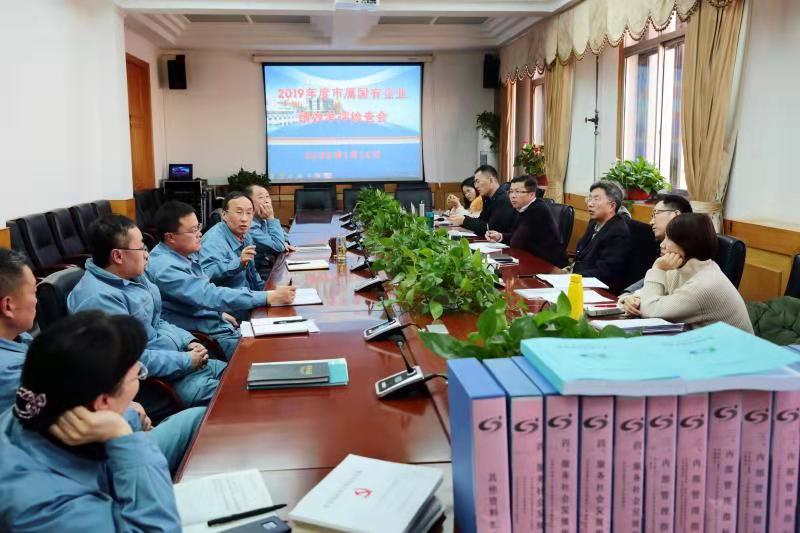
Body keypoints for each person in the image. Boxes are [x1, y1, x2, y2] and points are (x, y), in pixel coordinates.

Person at [0, 249, 206, 475]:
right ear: (8, 306)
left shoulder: (18, 338)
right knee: (199, 419)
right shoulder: (9, 371)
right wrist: (129, 415)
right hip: (91, 466)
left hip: (108, 425)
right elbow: (73, 421)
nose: (36, 300)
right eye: (32, 292)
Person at [0, 311, 182, 531]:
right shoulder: (42, 507)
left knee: (191, 421)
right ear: (102, 402)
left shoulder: (37, 407)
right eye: (138, 375)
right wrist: (123, 437)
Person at [68, 214, 225, 420]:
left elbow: (157, 321)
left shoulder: (134, 276)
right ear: (118, 256)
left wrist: (188, 341)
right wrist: (185, 360)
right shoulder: (98, 300)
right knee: (235, 399)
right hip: (160, 382)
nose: (147, 254)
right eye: (141, 248)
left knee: (242, 374)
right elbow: (130, 361)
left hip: (181, 362)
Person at [146, 201, 296, 359]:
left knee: (284, 340)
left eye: (198, 227)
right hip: (206, 339)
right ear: (170, 237)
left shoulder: (183, 252)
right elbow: (209, 295)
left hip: (219, 324)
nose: (200, 234)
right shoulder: (165, 268)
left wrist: (219, 313)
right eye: (193, 230)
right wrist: (267, 297)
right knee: (277, 352)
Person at [619, 213, 753, 332]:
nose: (662, 245)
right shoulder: (682, 268)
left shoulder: (705, 284)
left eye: (669, 239)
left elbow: (651, 311)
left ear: (688, 243)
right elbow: (646, 296)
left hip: (731, 351)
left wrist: (657, 268)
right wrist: (630, 300)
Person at [619, 194, 693, 312]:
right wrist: (630, 296)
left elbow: (656, 306)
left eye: (655, 214)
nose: (651, 222)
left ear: (675, 215)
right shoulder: (662, 245)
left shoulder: (690, 253)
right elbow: (650, 282)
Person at [485, 175, 567, 267]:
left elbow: (516, 242)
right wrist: (500, 236)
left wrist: (498, 255)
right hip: (529, 259)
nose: (513, 196)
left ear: (531, 194)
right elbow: (516, 235)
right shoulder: (522, 207)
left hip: (549, 265)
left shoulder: (538, 209)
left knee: (492, 263)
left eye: (518, 191)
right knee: (488, 262)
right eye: (511, 191)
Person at [572, 180, 632, 291]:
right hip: (579, 280)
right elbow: (581, 255)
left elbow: (605, 272)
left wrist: (572, 278)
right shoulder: (594, 223)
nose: (590, 204)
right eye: (590, 198)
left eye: (596, 199)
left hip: (598, 289)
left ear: (611, 206)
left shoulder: (618, 232)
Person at [199, 191, 265, 292]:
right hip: (228, 299)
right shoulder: (213, 240)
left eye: (249, 213)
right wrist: (238, 262)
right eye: (239, 212)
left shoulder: (246, 235)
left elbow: (252, 274)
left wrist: (267, 292)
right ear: (224, 215)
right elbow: (206, 272)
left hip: (249, 295)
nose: (244, 219)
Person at [447, 165, 517, 237]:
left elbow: (491, 229)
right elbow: (481, 221)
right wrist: (463, 219)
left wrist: (464, 221)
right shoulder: (487, 198)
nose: (476, 186)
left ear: (491, 180)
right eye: (475, 183)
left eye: (478, 181)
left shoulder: (503, 199)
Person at [245, 184, 295, 276]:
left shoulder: (263, 219)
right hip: (259, 272)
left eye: (267, 196)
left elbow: (286, 236)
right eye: (261, 197)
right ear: (248, 202)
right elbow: (278, 247)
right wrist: (271, 218)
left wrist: (285, 242)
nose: (267, 201)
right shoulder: (248, 225)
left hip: (270, 264)